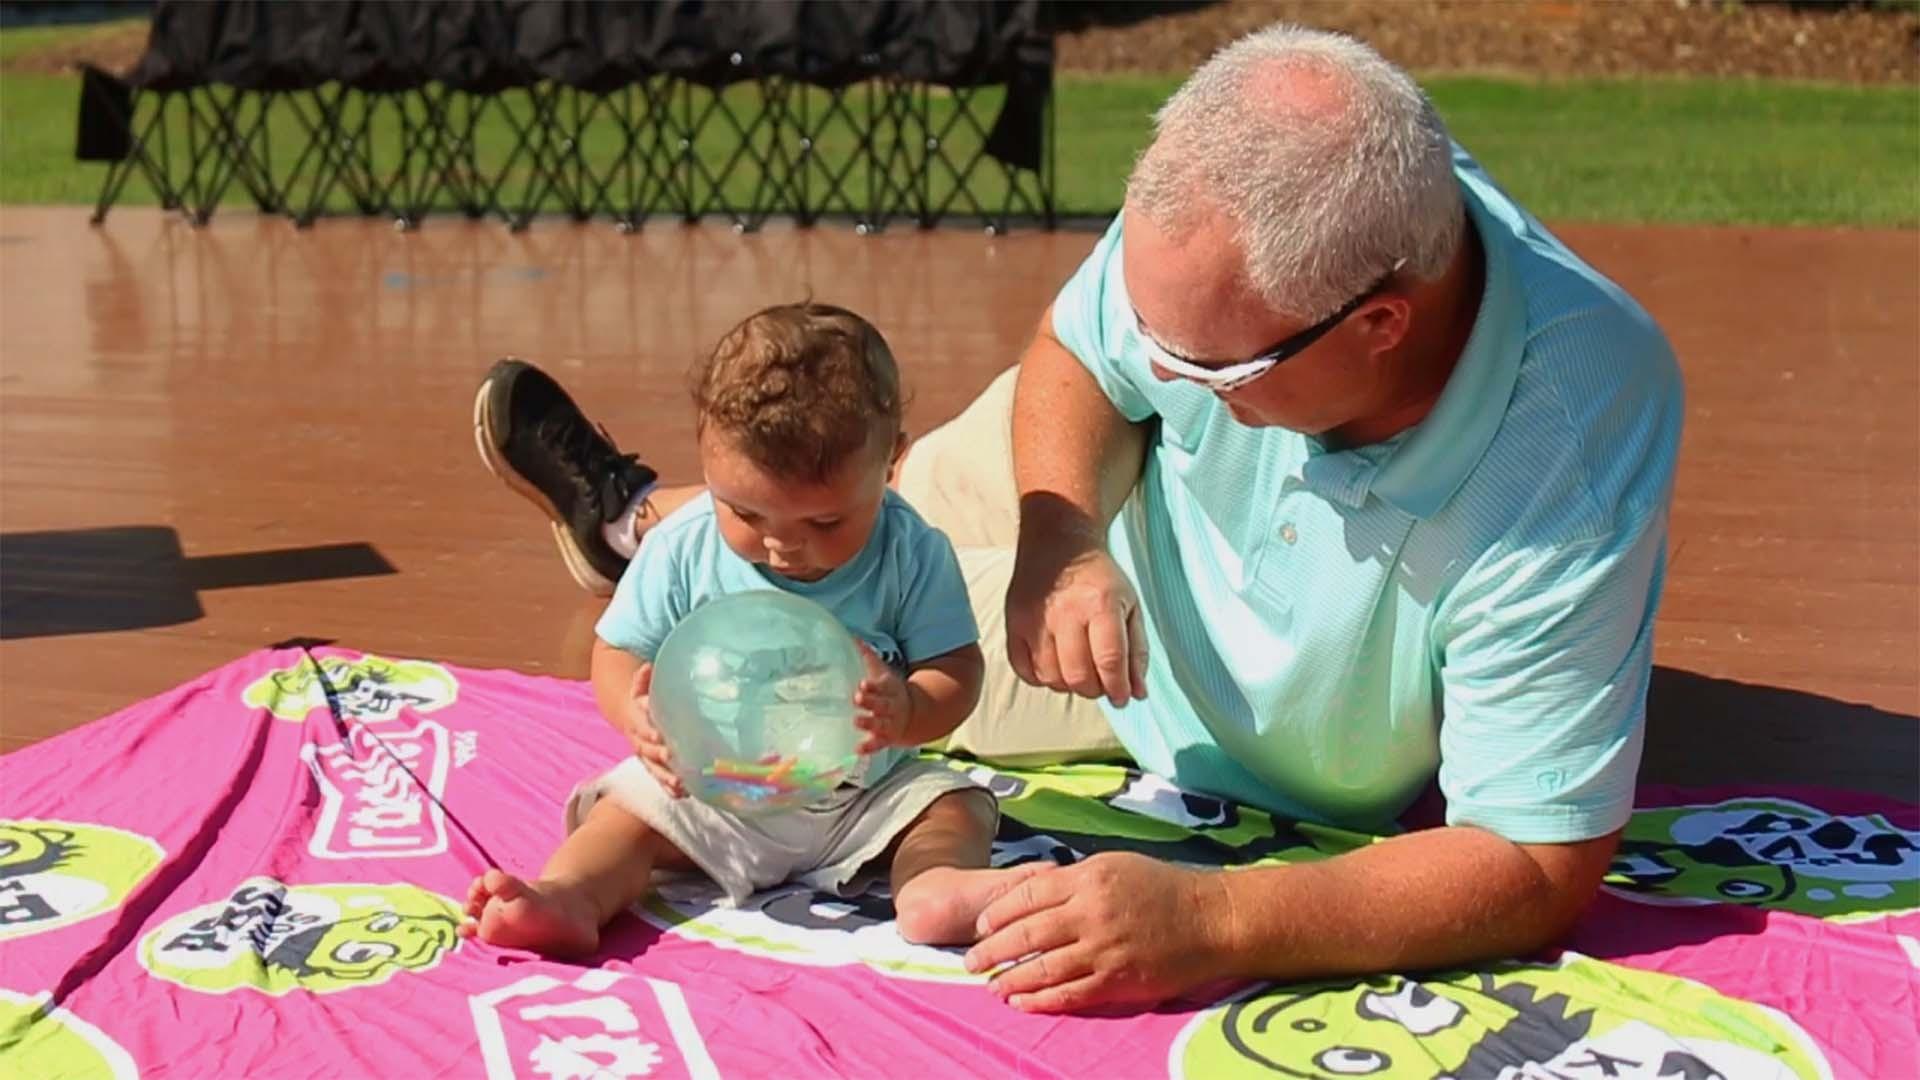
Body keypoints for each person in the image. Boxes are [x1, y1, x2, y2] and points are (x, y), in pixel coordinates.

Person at [473, 26, 1683, 1013]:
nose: (1152, 370)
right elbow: (1083, 354)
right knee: (830, 520)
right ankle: (639, 519)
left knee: (824, 653)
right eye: (1146, 325)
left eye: (1199, 366)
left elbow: (1532, 859)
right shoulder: (1243, 236)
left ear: (1380, 325)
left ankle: (633, 522)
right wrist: (1060, 538)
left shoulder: (1567, 441)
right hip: (1070, 494)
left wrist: (1216, 918)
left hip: (1154, 684)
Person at [461, 303, 1039, 957]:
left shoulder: (911, 550)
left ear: (891, 464)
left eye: (824, 525)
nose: (783, 547)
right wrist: (637, 716)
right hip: (719, 791)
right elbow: (616, 650)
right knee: (627, 809)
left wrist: (909, 708)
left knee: (954, 805)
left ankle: (936, 890)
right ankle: (570, 895)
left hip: (866, 796)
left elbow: (957, 671)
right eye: (745, 513)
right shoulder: (683, 544)